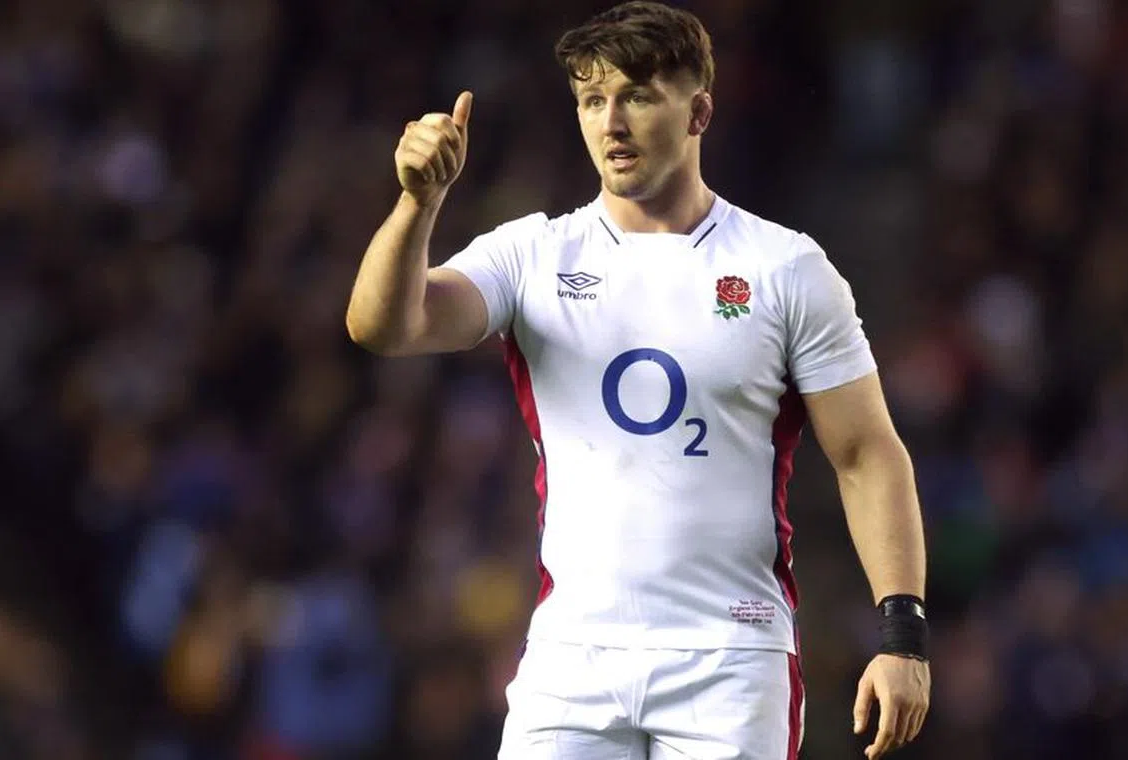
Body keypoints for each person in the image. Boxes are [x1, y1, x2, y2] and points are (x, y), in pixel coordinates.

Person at [346, 2, 931, 758]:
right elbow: (384, 325)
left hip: (730, 658)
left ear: (700, 112)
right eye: (593, 100)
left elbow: (866, 453)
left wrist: (903, 636)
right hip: (572, 659)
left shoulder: (784, 268)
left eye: (639, 96)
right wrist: (417, 205)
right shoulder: (534, 256)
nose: (611, 122)